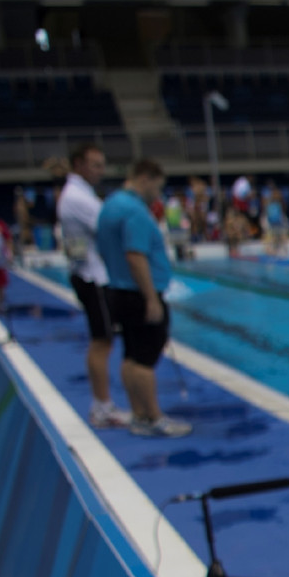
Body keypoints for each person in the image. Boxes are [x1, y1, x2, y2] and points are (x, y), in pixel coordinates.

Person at [94, 157, 191, 439]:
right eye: (156, 188)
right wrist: (151, 298)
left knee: (131, 355)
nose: (157, 195)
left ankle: (139, 416)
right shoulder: (134, 211)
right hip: (138, 293)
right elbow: (136, 257)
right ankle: (155, 418)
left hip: (118, 290)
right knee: (145, 359)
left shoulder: (111, 205)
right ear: (144, 178)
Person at [56, 143, 126, 428]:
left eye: (102, 165)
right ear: (79, 165)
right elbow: (109, 227)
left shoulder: (77, 193)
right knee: (102, 341)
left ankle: (102, 405)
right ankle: (101, 407)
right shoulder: (76, 197)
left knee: (103, 340)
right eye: (95, 165)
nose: (101, 170)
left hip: (89, 274)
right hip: (92, 277)